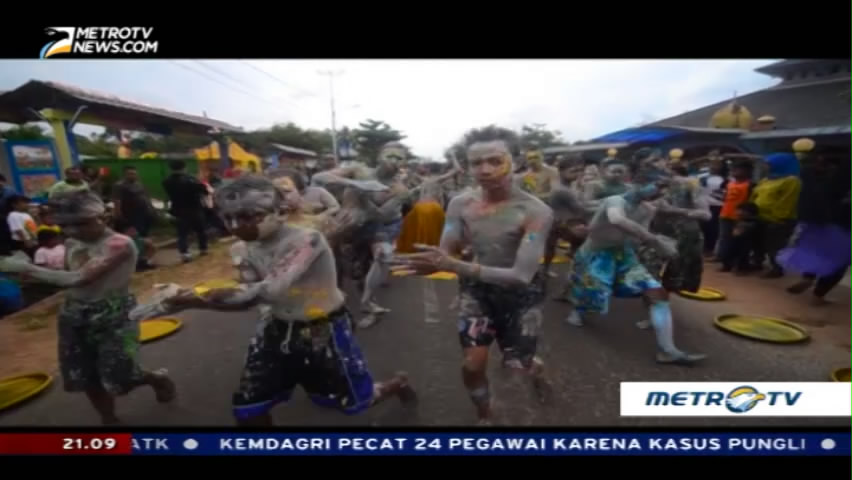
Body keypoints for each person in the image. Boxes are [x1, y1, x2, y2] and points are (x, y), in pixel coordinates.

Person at [158, 175, 416, 426]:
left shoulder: (306, 240)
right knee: (248, 407)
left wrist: (193, 297)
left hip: (323, 330)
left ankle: (397, 384)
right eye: (228, 218)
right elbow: (248, 296)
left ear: (280, 212)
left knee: (354, 401)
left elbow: (270, 290)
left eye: (248, 216)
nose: (236, 226)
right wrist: (186, 300)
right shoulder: (240, 248)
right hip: (275, 328)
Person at [390, 128, 554, 424]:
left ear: (515, 161)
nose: (485, 170)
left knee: (517, 370)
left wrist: (451, 266)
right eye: (476, 163)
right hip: (477, 293)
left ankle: (535, 369)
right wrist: (432, 261)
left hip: (521, 298)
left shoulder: (535, 211)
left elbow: (521, 275)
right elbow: (445, 251)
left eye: (495, 160)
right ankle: (485, 414)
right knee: (472, 366)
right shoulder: (460, 204)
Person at [0, 190, 175, 424]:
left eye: (81, 223)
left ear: (101, 217)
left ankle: (155, 378)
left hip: (115, 312)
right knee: (84, 375)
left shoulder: (119, 244)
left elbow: (80, 278)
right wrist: (29, 275)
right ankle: (108, 419)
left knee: (121, 375)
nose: (72, 231)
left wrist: (28, 269)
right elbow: (66, 277)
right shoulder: (72, 242)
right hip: (74, 313)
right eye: (66, 226)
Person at [562, 181, 706, 365]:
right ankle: (577, 312)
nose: (655, 190)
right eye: (653, 184)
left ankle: (668, 350)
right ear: (635, 185)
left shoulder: (647, 210)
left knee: (658, 294)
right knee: (589, 296)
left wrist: (657, 243)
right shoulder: (615, 201)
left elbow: (635, 239)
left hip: (624, 256)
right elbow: (617, 220)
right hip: (594, 256)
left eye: (661, 189)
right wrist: (655, 241)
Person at [779, 151, 850, 304]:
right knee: (840, 260)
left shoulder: (819, 178)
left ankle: (808, 277)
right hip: (845, 224)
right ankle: (819, 294)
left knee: (817, 251)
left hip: (822, 221)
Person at [638, 163, 711, 294]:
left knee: (676, 278)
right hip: (658, 232)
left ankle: (661, 304)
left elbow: (706, 214)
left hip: (684, 234)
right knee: (647, 272)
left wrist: (674, 210)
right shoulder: (652, 186)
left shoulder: (690, 184)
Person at [750, 153, 801, 278]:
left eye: (769, 165)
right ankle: (757, 263)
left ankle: (777, 269)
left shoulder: (792, 181)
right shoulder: (766, 179)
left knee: (774, 246)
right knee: (758, 242)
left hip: (779, 219)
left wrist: (779, 218)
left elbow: (788, 201)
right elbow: (754, 195)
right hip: (760, 217)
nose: (766, 167)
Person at [162, 160, 209, 263]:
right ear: (184, 168)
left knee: (182, 233)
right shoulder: (190, 179)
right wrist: (201, 181)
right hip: (194, 208)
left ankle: (184, 253)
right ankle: (203, 249)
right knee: (200, 230)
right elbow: (204, 190)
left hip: (178, 210)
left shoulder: (167, 181)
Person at [714, 160, 754, 263]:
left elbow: (750, 201)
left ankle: (739, 262)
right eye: (733, 170)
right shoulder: (729, 183)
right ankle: (723, 259)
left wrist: (746, 216)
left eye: (738, 169)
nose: (734, 172)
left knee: (739, 240)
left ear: (747, 171)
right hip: (725, 214)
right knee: (724, 238)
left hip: (740, 217)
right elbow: (725, 197)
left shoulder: (750, 185)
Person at [112, 166, 156, 239]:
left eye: (134, 174)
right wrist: (118, 213)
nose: (133, 175)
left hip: (144, 212)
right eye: (130, 174)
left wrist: (152, 209)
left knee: (144, 233)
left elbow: (146, 197)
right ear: (125, 175)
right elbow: (117, 200)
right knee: (134, 234)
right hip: (130, 214)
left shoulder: (139, 184)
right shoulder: (119, 186)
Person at [697, 157, 727, 256]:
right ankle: (706, 248)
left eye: (717, 164)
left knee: (714, 229)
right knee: (705, 228)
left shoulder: (726, 179)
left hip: (718, 206)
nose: (713, 167)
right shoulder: (703, 178)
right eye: (712, 164)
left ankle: (712, 249)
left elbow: (724, 194)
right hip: (705, 205)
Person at [719, 202, 760, 274]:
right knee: (728, 250)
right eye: (738, 210)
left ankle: (742, 267)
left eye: (741, 211)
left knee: (741, 251)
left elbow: (740, 233)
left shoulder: (752, 222)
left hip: (745, 243)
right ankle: (729, 265)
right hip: (736, 242)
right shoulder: (739, 221)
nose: (737, 212)